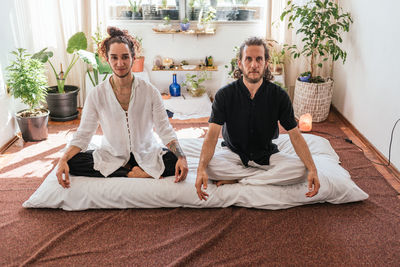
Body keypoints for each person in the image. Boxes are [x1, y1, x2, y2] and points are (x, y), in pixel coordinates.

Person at [56, 26, 188, 188]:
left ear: (133, 57)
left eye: (125, 57)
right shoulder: (97, 94)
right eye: (114, 57)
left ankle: (131, 171)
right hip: (112, 154)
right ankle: (131, 172)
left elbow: (164, 130)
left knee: (175, 159)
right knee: (74, 161)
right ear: (107, 59)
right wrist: (63, 159)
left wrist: (181, 157)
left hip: (146, 152)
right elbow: (84, 134)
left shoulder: (150, 91)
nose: (120, 63)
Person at [195, 37, 320, 200]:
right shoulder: (224, 95)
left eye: (259, 59)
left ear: (266, 63)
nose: (254, 65)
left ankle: (241, 179)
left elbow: (295, 134)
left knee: (301, 169)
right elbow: (211, 136)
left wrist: (313, 169)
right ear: (239, 63)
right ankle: (261, 178)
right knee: (209, 167)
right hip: (234, 153)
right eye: (248, 59)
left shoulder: (279, 95)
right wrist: (201, 170)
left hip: (266, 154)